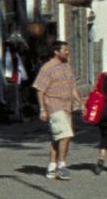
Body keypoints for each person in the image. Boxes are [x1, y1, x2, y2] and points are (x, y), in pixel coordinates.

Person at [31, 40, 79, 179]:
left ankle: (51, 167)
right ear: (56, 52)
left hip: (67, 106)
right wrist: (42, 109)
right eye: (65, 50)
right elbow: (40, 89)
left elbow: (73, 87)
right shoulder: (48, 68)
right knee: (65, 135)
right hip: (54, 105)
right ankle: (62, 165)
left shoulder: (66, 66)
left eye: (67, 50)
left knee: (58, 137)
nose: (67, 52)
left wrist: (81, 103)